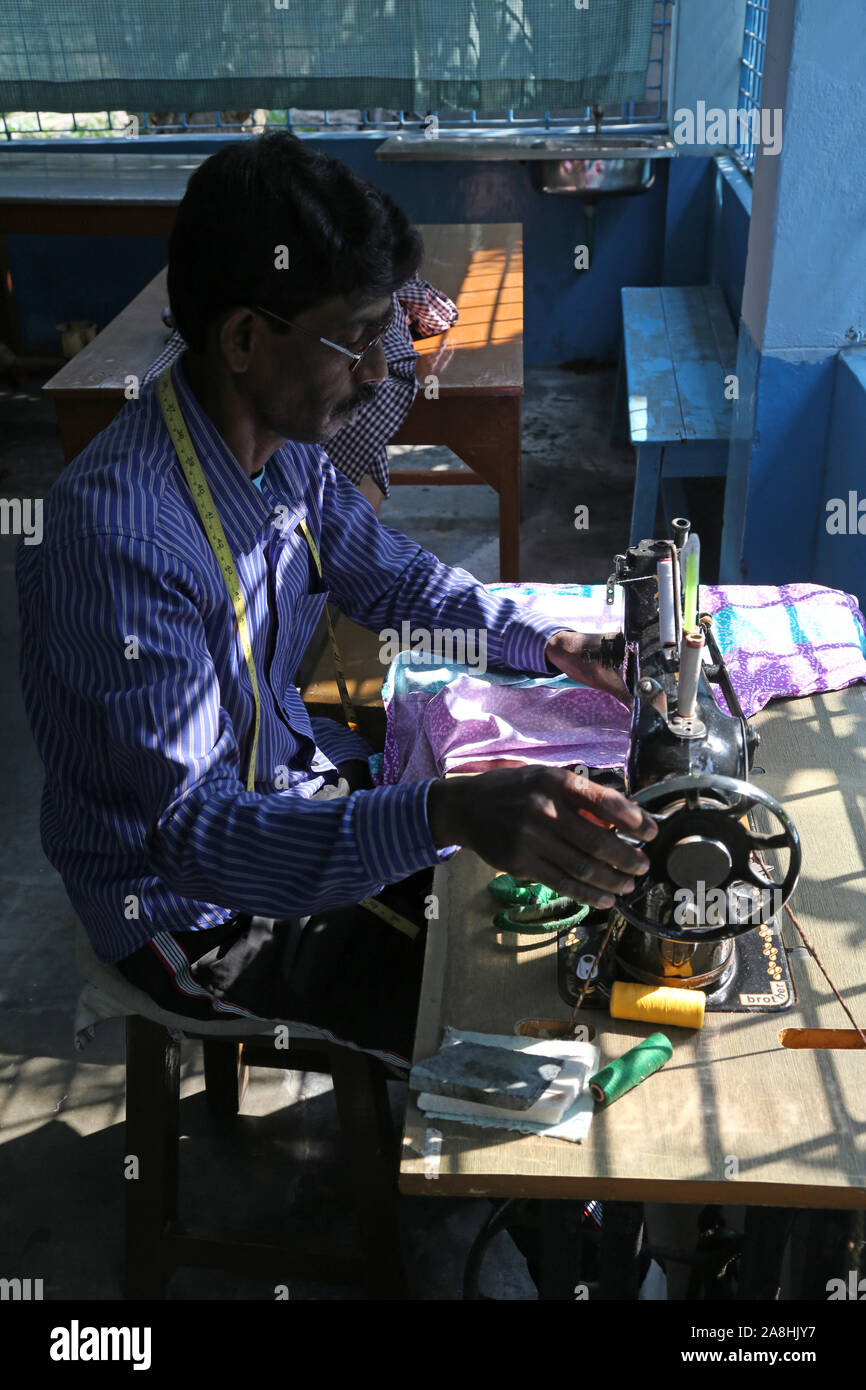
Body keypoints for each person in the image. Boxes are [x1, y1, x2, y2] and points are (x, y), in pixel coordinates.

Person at [17, 132, 656, 1071]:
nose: (377, 370)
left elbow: (390, 577)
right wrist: (442, 814)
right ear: (243, 337)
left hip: (289, 785)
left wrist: (550, 643)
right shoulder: (118, 545)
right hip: (187, 912)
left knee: (532, 924)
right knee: (518, 1034)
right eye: (356, 338)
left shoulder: (281, 451)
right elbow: (197, 837)